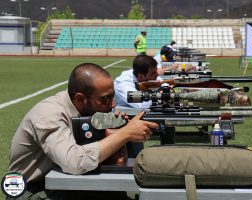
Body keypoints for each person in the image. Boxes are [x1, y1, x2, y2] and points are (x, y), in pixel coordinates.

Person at [8, 63, 158, 200]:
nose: (112, 104)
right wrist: (125, 133)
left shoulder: (87, 110)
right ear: (80, 99)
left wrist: (117, 135)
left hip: (63, 181)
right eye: (105, 99)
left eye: (113, 97)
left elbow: (111, 160)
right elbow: (74, 162)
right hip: (31, 189)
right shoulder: (49, 114)